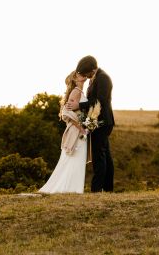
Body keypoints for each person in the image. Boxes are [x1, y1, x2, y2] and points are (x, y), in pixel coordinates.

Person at [66, 55, 114, 192]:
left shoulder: (103, 78)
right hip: (98, 121)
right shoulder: (95, 79)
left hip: (103, 122)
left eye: (85, 73)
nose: (84, 76)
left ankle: (96, 190)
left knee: (99, 156)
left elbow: (100, 101)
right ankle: (108, 189)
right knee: (106, 156)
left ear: (91, 70)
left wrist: (79, 105)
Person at [39, 70, 89, 193]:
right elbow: (67, 113)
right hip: (77, 131)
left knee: (77, 159)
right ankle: (71, 189)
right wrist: (81, 127)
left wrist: (86, 122)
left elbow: (78, 111)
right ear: (75, 78)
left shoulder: (80, 91)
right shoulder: (76, 91)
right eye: (80, 73)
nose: (83, 74)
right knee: (73, 158)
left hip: (81, 130)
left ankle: (74, 189)